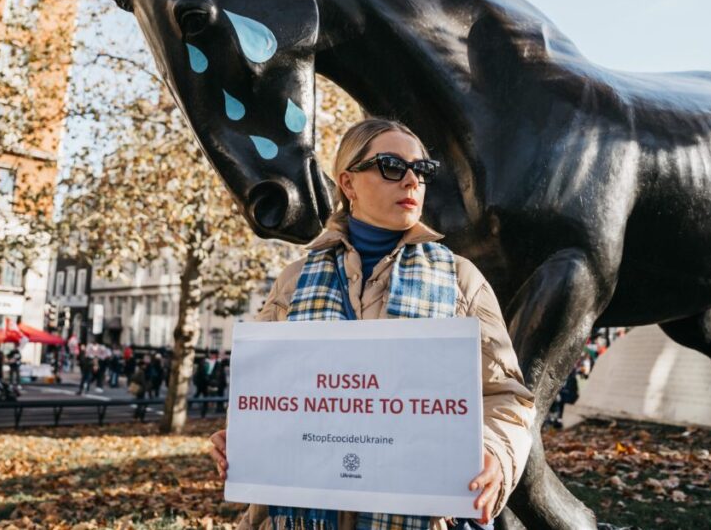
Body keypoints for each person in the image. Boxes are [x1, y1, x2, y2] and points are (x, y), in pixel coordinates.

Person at [208, 119, 536, 528]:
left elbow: (507, 397)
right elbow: (268, 398)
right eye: (391, 166)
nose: (412, 181)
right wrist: (238, 437)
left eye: (422, 169)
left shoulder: (460, 279)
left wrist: (495, 454)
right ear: (348, 183)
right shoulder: (293, 281)